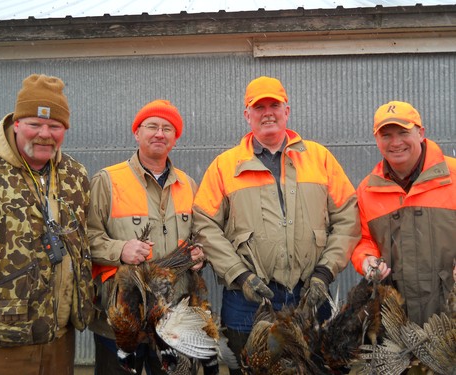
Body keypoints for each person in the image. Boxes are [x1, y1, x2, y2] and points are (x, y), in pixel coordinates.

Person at [192, 75, 361, 373]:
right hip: (248, 300)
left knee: (316, 367)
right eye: (259, 107)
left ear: (287, 111)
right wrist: (240, 275)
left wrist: (325, 272)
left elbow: (348, 217)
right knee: (250, 368)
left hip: (309, 294)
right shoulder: (224, 166)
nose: (267, 112)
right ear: (247, 115)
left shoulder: (319, 158)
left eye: (274, 105)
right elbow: (204, 225)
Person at [0, 74, 94, 375]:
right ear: (16, 123)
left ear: (65, 130)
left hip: (58, 340)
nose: (44, 134)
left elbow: (88, 242)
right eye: (34, 123)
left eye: (55, 126)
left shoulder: (75, 175)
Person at [88, 99, 209, 375]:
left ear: (175, 139)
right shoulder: (107, 181)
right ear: (137, 133)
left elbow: (202, 237)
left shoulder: (188, 185)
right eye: (151, 126)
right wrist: (120, 250)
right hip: (119, 319)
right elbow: (86, 238)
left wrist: (201, 255)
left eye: (168, 128)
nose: (159, 133)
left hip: (174, 318)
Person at [351, 100, 456, 326]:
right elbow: (363, 240)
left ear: (421, 133)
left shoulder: (453, 176)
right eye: (386, 135)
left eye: (403, 132)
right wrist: (367, 261)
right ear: (376, 139)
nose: (396, 142)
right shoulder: (367, 190)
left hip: (450, 311)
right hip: (397, 319)